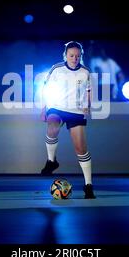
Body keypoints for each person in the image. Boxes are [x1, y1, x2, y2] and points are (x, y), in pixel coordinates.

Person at [40, 41, 96, 199]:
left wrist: (88, 106)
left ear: (81, 57)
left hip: (76, 111)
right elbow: (46, 88)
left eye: (78, 56)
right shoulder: (57, 69)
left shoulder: (85, 72)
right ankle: (52, 161)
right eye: (71, 55)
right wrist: (44, 108)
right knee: (52, 127)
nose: (74, 58)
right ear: (65, 55)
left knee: (81, 149)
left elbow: (89, 90)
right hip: (57, 107)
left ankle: (88, 185)